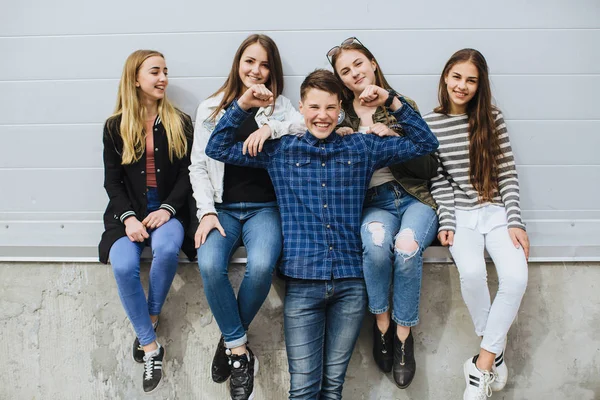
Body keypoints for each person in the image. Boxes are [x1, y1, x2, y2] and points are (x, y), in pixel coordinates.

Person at [205, 68, 439, 400]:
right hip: (302, 285)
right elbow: (217, 147)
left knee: (332, 389)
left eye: (330, 108)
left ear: (341, 110)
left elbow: (426, 142)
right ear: (301, 108)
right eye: (314, 107)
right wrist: (243, 104)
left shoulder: (362, 147)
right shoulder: (282, 150)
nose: (323, 116)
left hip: (350, 286)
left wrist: (390, 100)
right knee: (302, 390)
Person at [188, 34, 302, 400]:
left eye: (265, 64)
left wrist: (272, 126)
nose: (256, 70)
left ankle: (228, 340)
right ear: (238, 63)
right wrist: (205, 213)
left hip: (265, 209)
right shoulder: (211, 107)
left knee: (264, 264)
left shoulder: (281, 105)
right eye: (250, 61)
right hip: (222, 208)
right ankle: (240, 352)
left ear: (273, 70)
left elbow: (304, 125)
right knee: (208, 265)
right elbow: (198, 166)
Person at [327, 37, 438, 388]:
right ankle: (382, 326)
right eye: (345, 71)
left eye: (358, 64)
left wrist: (393, 137)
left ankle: (404, 338)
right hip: (374, 203)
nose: (354, 73)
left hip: (413, 198)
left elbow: (428, 164)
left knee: (406, 250)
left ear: (372, 63)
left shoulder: (401, 104)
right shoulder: (338, 116)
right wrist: (341, 143)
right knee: (376, 248)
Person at [424, 48, 529, 399]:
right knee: (471, 274)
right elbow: (437, 180)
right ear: (445, 78)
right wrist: (446, 220)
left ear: (479, 85)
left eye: (471, 80)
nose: (462, 85)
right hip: (462, 215)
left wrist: (516, 221)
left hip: (497, 211)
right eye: (457, 77)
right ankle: (495, 356)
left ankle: (481, 365)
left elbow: (508, 173)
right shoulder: (431, 123)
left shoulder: (491, 118)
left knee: (516, 276)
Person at [98, 49, 194, 394]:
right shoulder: (114, 127)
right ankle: (151, 345)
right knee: (123, 264)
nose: (163, 78)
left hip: (168, 212)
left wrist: (167, 209)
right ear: (135, 78)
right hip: (126, 216)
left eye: (165, 71)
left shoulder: (179, 122)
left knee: (167, 250)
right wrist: (128, 219)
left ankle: (149, 318)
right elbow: (113, 181)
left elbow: (188, 174)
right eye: (155, 72)